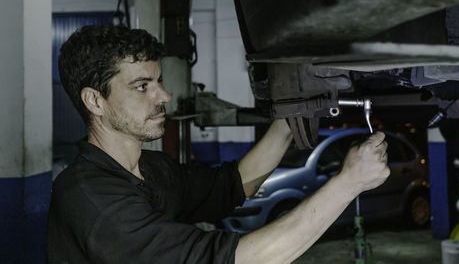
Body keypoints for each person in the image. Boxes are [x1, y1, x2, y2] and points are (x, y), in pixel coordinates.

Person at [47, 24, 389, 264]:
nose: (164, 96)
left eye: (159, 82)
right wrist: (349, 182)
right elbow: (241, 260)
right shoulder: (89, 198)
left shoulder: (152, 169)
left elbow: (234, 185)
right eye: (142, 86)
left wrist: (289, 121)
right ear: (95, 101)